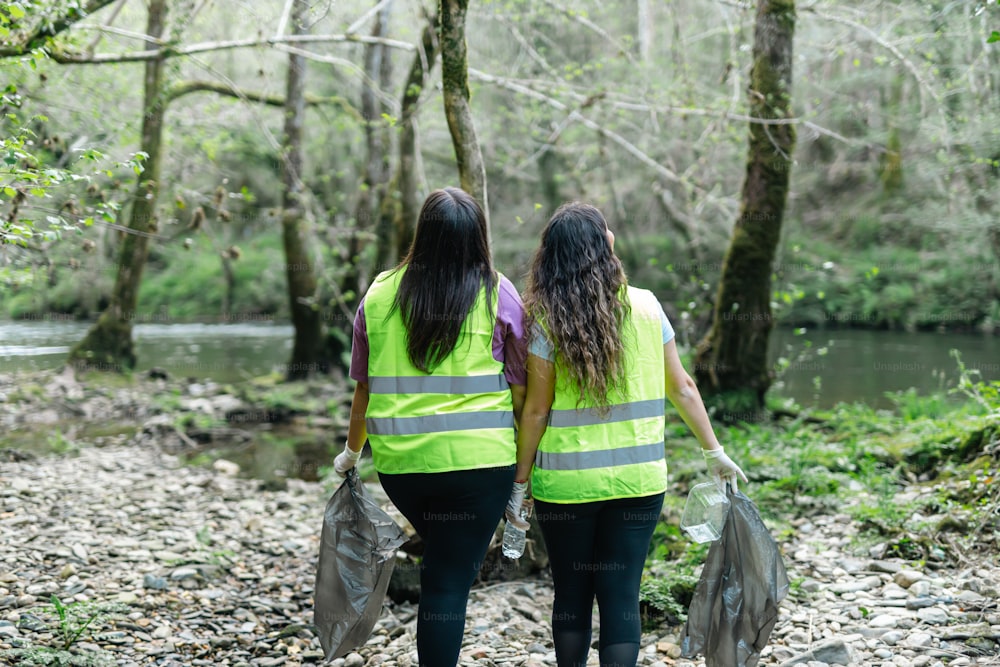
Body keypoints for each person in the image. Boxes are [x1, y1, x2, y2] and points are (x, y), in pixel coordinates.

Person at [506, 202, 747, 667]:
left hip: (566, 486)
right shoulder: (648, 306)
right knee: (620, 597)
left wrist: (520, 484)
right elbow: (682, 386)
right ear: (604, 247)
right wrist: (713, 451)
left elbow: (535, 411)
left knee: (572, 595)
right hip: (637, 482)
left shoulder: (546, 322)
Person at [333, 187, 527, 667]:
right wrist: (526, 475)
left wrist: (351, 454)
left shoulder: (379, 295)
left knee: (440, 566)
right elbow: (523, 388)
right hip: (481, 468)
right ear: (478, 237)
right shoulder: (497, 292)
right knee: (446, 580)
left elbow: (365, 388)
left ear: (422, 234)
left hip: (404, 468)